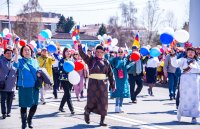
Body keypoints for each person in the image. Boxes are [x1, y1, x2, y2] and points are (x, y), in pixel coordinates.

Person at [77, 41, 115, 126]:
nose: (99, 53)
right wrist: (79, 46)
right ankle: (87, 112)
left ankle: (102, 121)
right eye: (97, 52)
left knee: (103, 102)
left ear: (103, 53)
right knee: (91, 101)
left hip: (103, 85)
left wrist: (113, 85)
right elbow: (83, 55)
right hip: (93, 84)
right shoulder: (91, 60)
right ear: (95, 52)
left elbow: (110, 74)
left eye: (101, 52)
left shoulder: (106, 62)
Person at [170, 47, 200, 124]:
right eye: (189, 51)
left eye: (192, 52)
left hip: (195, 82)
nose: (190, 53)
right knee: (184, 98)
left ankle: (194, 117)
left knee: (195, 99)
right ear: (186, 53)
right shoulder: (183, 60)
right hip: (185, 82)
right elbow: (174, 64)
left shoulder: (197, 61)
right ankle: (180, 114)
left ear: (195, 53)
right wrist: (173, 54)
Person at [13, 45, 39, 129]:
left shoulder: (35, 61)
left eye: (29, 50)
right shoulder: (20, 61)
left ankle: (29, 119)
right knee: (24, 105)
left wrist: (39, 74)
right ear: (22, 52)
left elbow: (38, 70)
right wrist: (16, 54)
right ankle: (23, 123)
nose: (27, 51)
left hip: (34, 86)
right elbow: (15, 65)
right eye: (25, 50)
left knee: (34, 104)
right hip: (24, 87)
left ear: (31, 52)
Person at [110, 48, 129, 113]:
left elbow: (127, 67)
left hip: (124, 78)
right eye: (119, 51)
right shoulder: (115, 59)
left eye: (121, 51)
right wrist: (111, 56)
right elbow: (111, 63)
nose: (120, 52)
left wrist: (132, 63)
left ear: (124, 53)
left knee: (122, 92)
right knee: (118, 92)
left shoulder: (125, 59)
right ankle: (116, 106)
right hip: (117, 77)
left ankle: (120, 106)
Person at [0, 49, 17, 119]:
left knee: (10, 101)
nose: (9, 54)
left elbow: (17, 72)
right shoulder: (1, 62)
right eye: (7, 53)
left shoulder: (14, 62)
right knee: (3, 100)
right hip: (3, 84)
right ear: (4, 55)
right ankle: (4, 113)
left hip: (12, 85)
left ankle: (8, 112)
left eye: (10, 53)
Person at [58, 47, 75, 114]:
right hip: (64, 79)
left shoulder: (72, 60)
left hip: (71, 79)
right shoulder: (61, 61)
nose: (68, 52)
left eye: (69, 51)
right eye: (67, 51)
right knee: (68, 94)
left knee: (66, 94)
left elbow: (74, 69)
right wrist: (66, 71)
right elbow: (59, 71)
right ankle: (72, 109)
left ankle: (61, 107)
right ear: (64, 53)